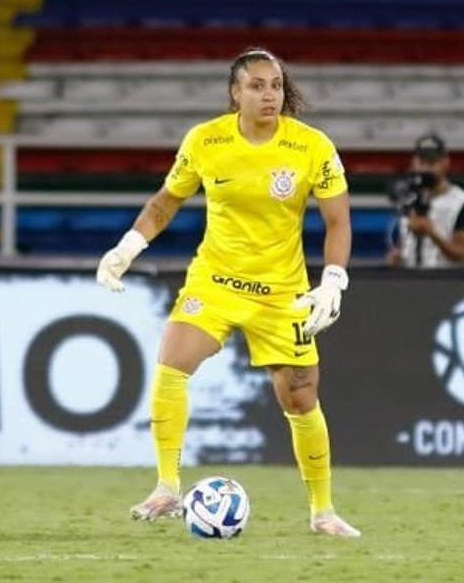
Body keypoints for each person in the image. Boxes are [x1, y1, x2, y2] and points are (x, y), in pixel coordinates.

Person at [95, 47, 360, 537]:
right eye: (257, 86)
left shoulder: (312, 146)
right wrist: (128, 247)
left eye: (275, 85)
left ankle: (322, 512)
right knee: (172, 363)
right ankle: (167, 486)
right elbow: (166, 202)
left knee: (301, 396)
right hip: (216, 281)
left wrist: (333, 280)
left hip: (281, 292)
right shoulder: (206, 140)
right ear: (235, 92)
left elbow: (338, 220)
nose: (269, 95)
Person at [385, 133, 464, 268]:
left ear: (445, 163)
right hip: (411, 276)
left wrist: (432, 233)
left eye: (432, 163)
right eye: (422, 162)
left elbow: (463, 253)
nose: (426, 169)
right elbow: (405, 244)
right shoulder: (409, 198)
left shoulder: (461, 202)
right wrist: (397, 257)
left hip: (450, 277)